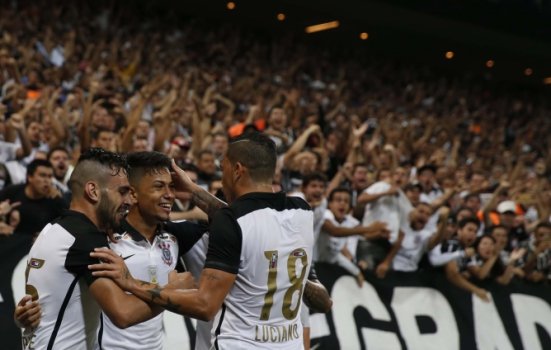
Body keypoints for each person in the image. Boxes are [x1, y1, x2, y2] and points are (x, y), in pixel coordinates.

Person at [90, 132, 316, 349]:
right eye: (160, 186)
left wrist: (191, 190)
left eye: (171, 186)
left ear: (237, 170)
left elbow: (242, 223)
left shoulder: (179, 237)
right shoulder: (103, 238)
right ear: (133, 193)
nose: (170, 194)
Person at [20, 148, 181, 349]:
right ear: (93, 191)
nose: (128, 200)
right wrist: (173, 291)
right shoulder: (85, 239)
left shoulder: (52, 230)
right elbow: (123, 314)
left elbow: (37, 306)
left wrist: (22, 315)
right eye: (122, 191)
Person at [0, 159, 67, 236]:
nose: (47, 180)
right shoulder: (11, 192)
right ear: (30, 177)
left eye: (50, 176)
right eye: (42, 175)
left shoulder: (55, 200)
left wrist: (60, 200)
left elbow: (69, 223)